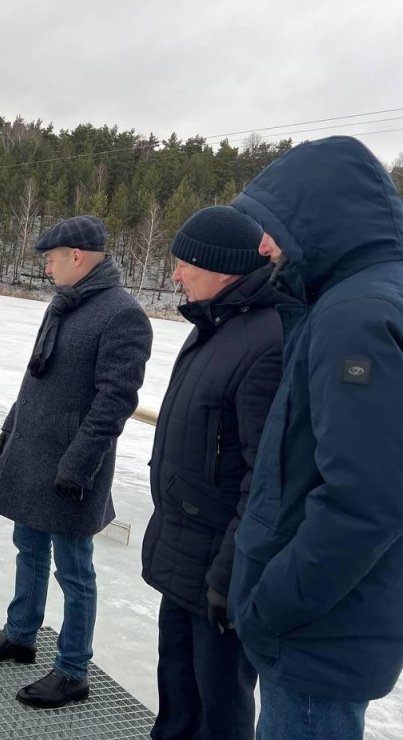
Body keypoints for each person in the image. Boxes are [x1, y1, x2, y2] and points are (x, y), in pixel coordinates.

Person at [227, 136, 403, 740]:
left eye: (273, 225)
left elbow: (365, 501)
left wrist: (272, 605)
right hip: (338, 620)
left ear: (319, 217)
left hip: (318, 635)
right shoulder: (362, 296)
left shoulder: (355, 314)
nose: (264, 244)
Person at [0, 215, 153, 709]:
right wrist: (11, 427)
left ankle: (73, 671)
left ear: (77, 256)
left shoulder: (122, 314)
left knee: (74, 570)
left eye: (50, 259)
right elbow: (35, 378)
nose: (46, 269)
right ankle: (21, 636)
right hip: (34, 455)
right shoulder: (65, 304)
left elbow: (115, 401)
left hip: (73, 467)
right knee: (28, 547)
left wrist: (78, 465)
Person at [142, 206, 287, 739]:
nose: (176, 275)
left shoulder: (265, 341)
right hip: (185, 550)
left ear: (221, 267)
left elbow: (265, 476)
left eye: (184, 264)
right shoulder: (213, 324)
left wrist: (230, 573)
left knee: (218, 706)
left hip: (219, 564)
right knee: (177, 693)